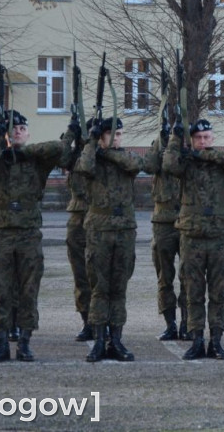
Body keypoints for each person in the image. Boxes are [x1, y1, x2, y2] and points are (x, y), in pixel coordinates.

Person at [0, 109, 77, 362]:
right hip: (0, 234)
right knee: (0, 289)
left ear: (28, 133)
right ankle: (1, 342)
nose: (18, 132)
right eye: (14, 129)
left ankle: (24, 341)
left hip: (28, 234)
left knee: (28, 290)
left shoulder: (36, 159)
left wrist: (24, 151)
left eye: (22, 129)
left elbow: (58, 149)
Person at [163, 118, 224, 360]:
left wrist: (203, 155)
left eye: (207, 137)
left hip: (218, 235)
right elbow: (168, 165)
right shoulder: (185, 162)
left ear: (213, 139)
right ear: (192, 140)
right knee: (193, 291)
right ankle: (197, 339)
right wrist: (176, 140)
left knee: (218, 292)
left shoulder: (220, 160)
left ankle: (216, 340)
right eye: (198, 138)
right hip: (192, 235)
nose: (203, 142)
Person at [76, 117, 144, 362]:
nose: (116, 139)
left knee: (119, 288)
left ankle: (116, 339)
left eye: (119, 135)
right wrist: (92, 142)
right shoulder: (92, 157)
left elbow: (136, 164)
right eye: (111, 135)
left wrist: (109, 153)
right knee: (99, 288)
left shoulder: (126, 157)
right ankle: (98, 339)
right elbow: (83, 168)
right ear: (102, 136)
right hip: (99, 230)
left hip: (124, 230)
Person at [143, 123, 187, 341]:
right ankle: (170, 323)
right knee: (164, 277)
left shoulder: (187, 147)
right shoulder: (159, 147)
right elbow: (149, 166)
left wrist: (178, 141)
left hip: (186, 220)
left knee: (188, 276)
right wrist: (160, 142)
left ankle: (188, 323)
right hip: (163, 221)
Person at [59, 123, 93, 342]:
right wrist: (70, 133)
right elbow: (59, 156)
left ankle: (104, 321)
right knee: (81, 274)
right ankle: (87, 321)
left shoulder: (103, 154)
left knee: (102, 276)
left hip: (100, 219)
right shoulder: (74, 156)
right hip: (78, 218)